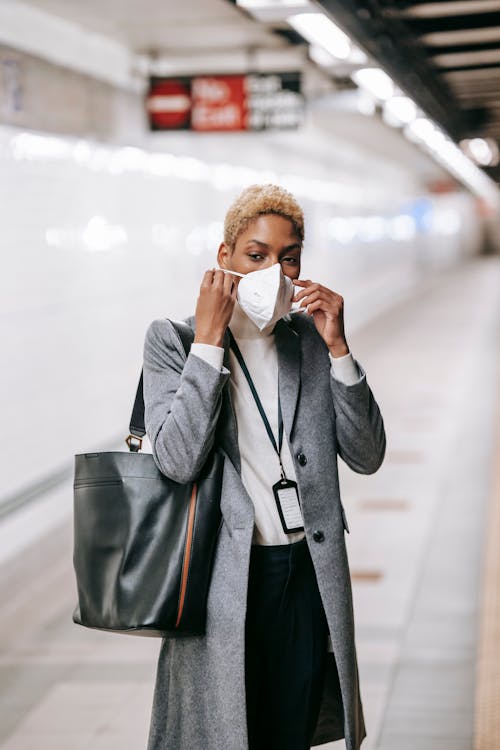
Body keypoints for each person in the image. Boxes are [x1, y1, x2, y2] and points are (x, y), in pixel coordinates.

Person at [143, 184, 386, 750]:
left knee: (290, 730)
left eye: (290, 256)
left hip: (306, 571)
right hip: (224, 577)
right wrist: (208, 341)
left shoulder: (307, 341)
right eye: (256, 255)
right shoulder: (173, 341)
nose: (274, 272)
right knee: (230, 731)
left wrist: (340, 349)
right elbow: (177, 461)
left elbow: (367, 455)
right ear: (224, 256)